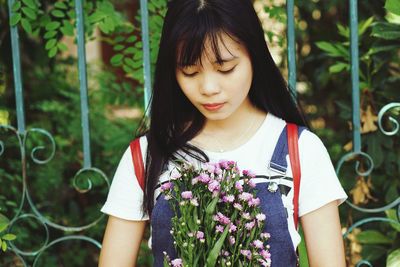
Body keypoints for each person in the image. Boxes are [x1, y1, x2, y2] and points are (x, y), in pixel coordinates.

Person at [98, 0, 348, 266]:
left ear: (255, 56)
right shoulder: (146, 155)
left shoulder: (300, 149)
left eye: (225, 69)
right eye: (190, 71)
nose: (208, 87)